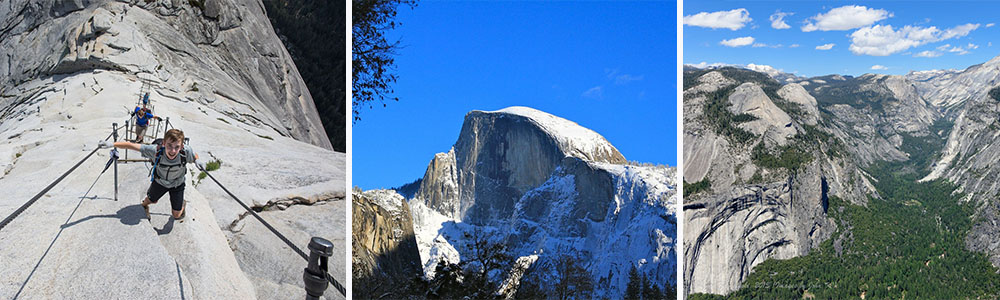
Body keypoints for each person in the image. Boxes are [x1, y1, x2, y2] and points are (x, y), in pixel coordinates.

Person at [99, 129, 206, 220]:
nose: (173, 151)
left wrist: (197, 160)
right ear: (163, 143)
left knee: (177, 215)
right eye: (169, 145)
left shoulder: (185, 152)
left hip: (177, 184)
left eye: (176, 147)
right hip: (160, 182)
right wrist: (112, 144)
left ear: (182, 146)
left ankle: (182, 204)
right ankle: (145, 206)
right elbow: (132, 146)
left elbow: (193, 154)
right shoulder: (155, 151)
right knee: (149, 200)